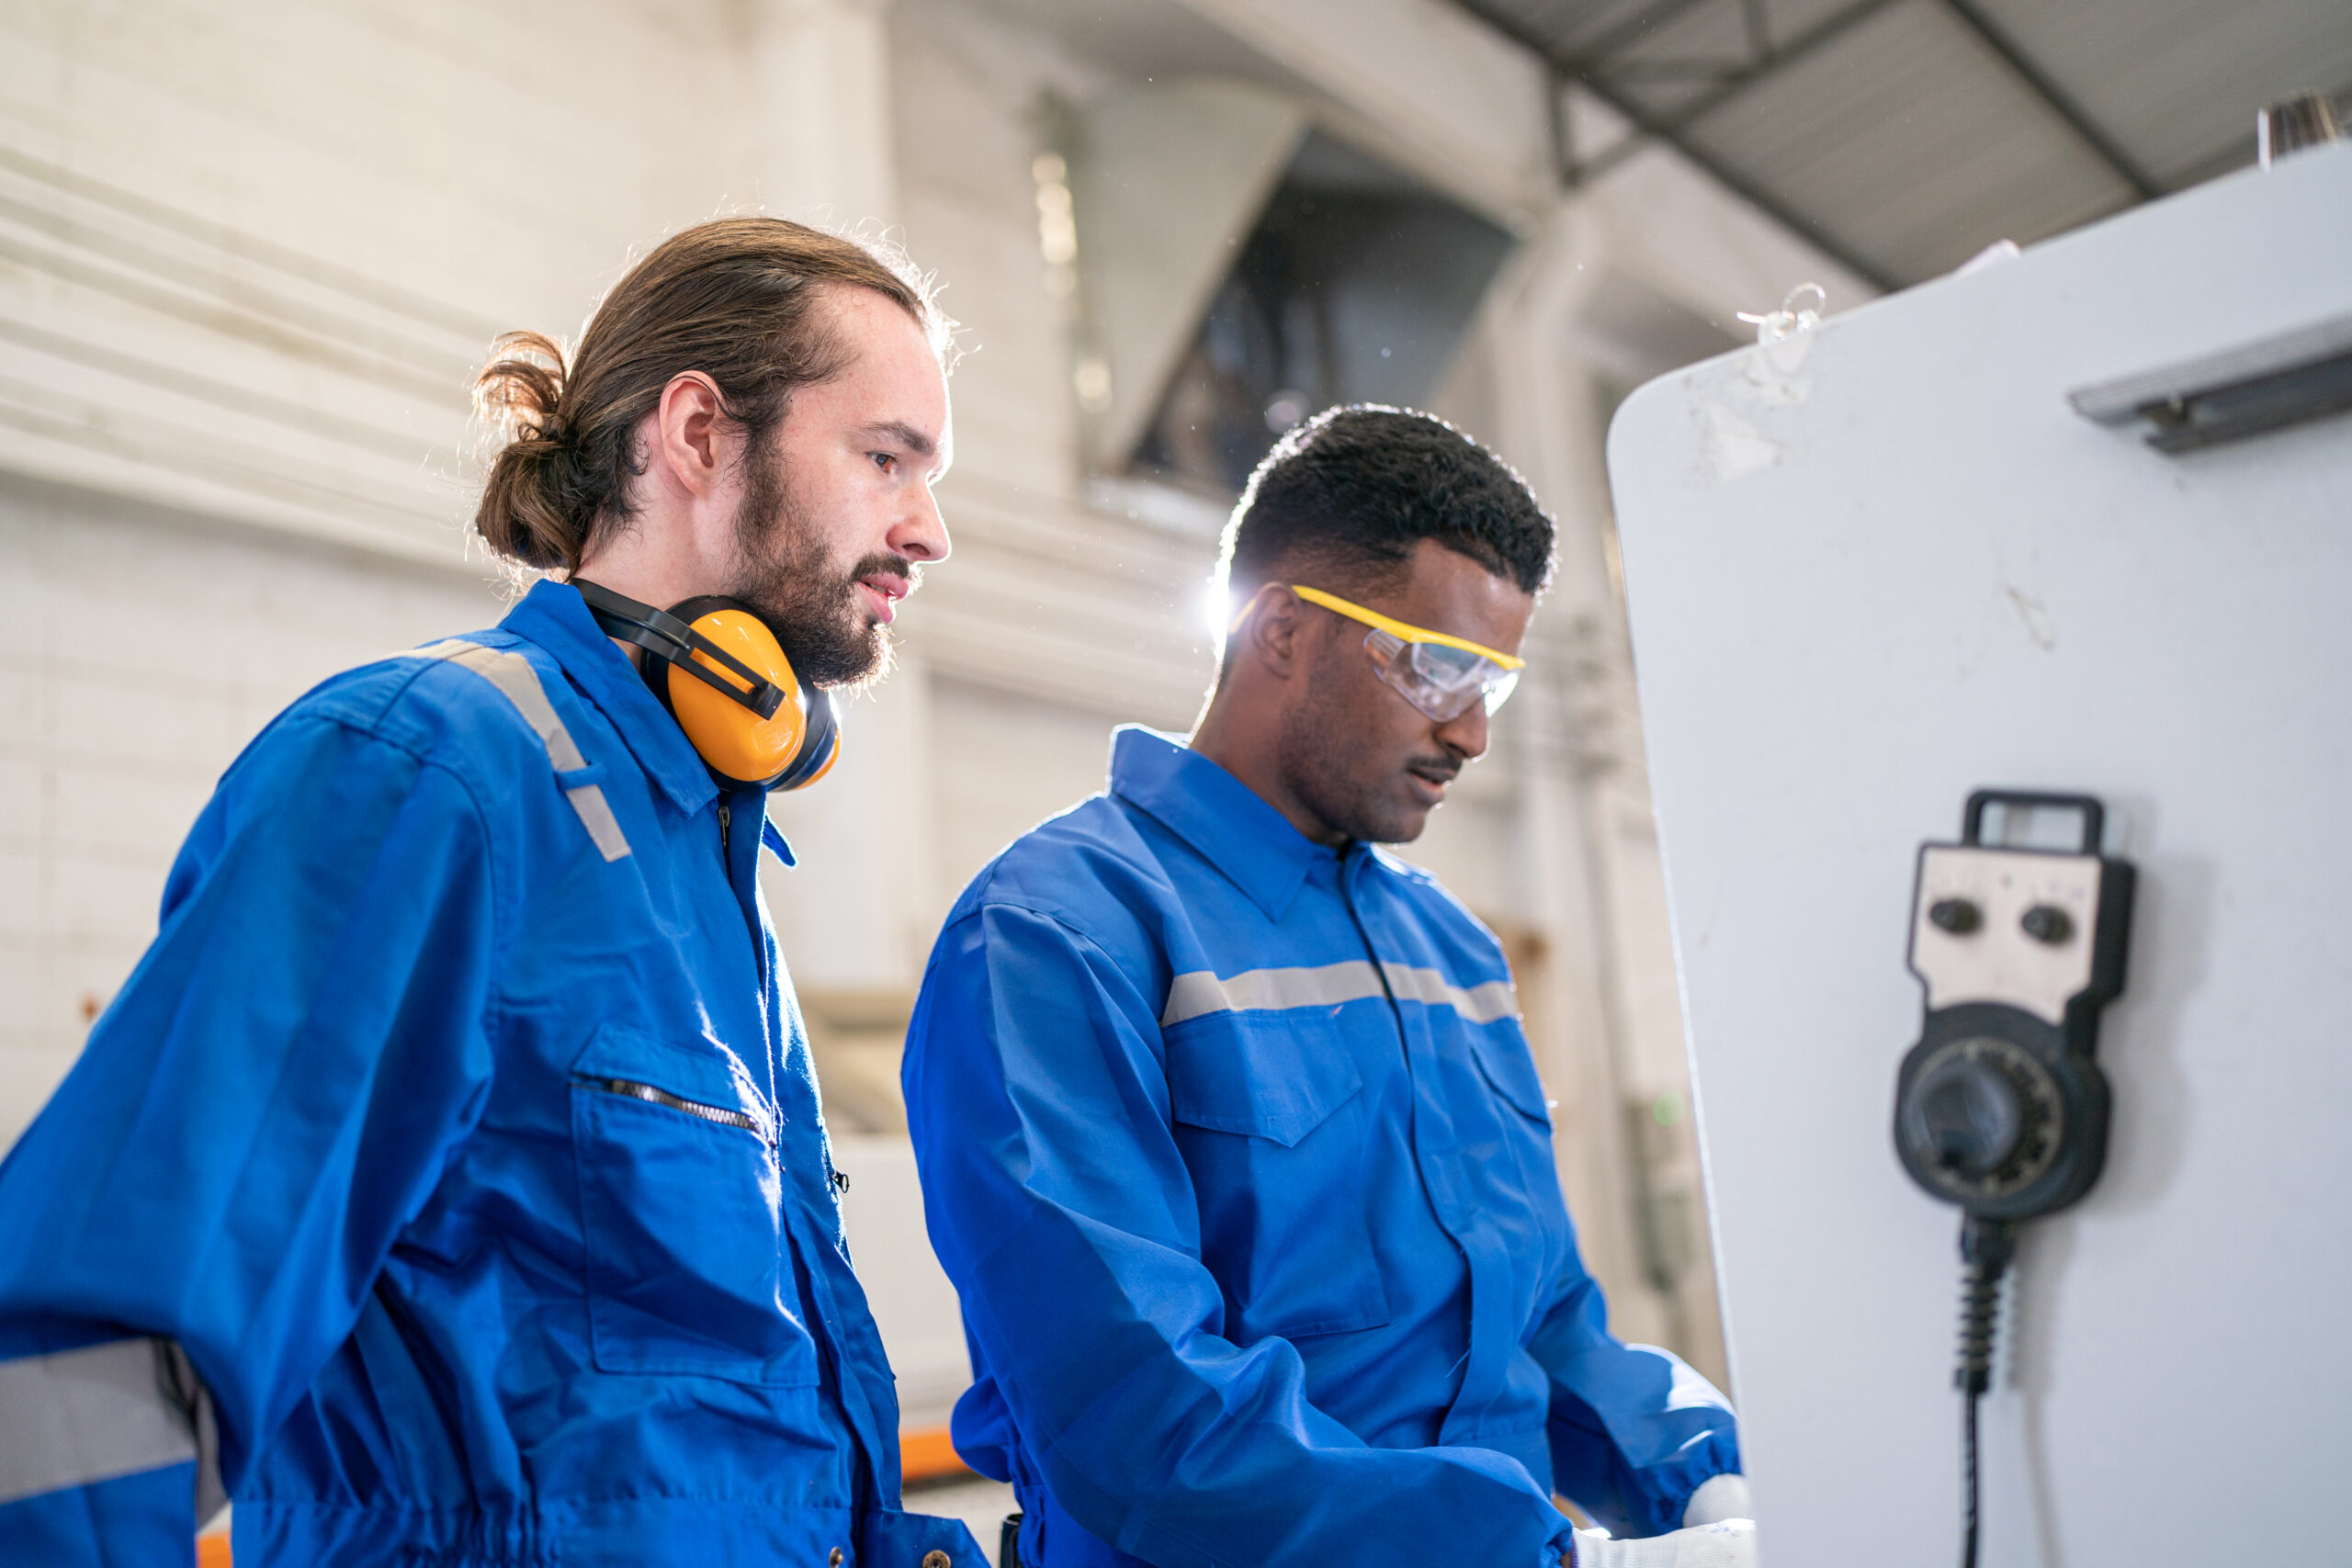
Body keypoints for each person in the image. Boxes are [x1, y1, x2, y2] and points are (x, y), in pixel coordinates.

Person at [0, 218, 986, 1568]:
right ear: (697, 434)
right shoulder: (427, 774)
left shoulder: (705, 864)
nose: (929, 529)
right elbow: (90, 1365)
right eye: (888, 459)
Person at [901, 408, 1755, 1568]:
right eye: (1438, 667)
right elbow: (1138, 1416)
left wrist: (1711, 1484)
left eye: (1491, 685)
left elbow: (1543, 1324)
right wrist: (1532, 1554)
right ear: (1284, 630)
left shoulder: (1451, 953)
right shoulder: (1059, 932)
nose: (1469, 733)